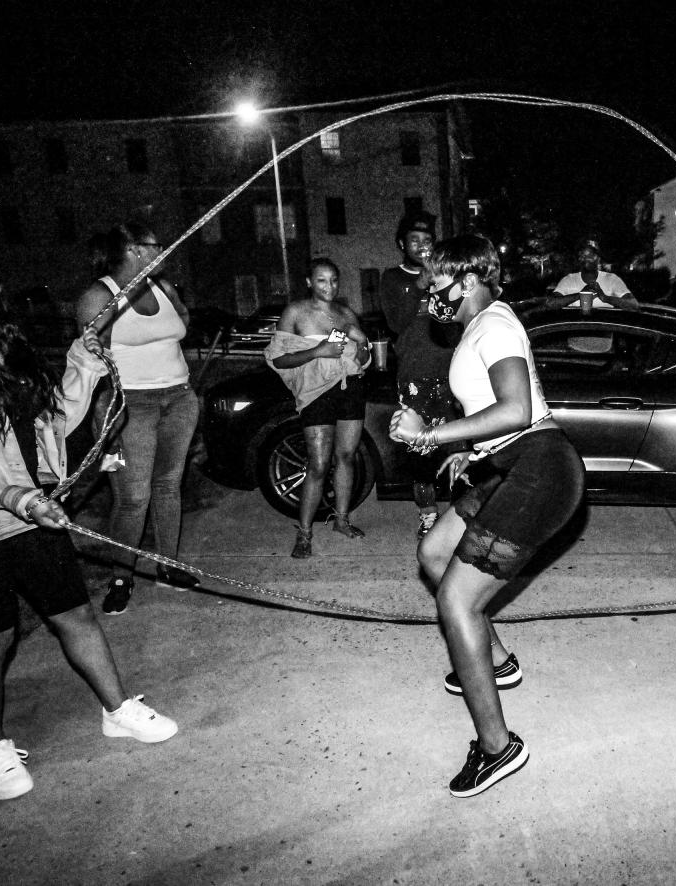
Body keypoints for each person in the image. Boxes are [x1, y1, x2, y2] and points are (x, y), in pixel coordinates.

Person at [0, 236, 178, 801]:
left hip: (29, 514)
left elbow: (51, 425)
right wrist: (14, 496)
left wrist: (82, 368)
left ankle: (117, 710)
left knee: (76, 616)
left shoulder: (4, 346)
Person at [389, 234, 585, 797]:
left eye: (437, 284)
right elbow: (495, 413)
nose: (429, 295)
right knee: (433, 552)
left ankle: (497, 749)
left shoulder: (495, 325)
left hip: (540, 470)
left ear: (469, 280)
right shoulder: (481, 327)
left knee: (456, 601)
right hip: (508, 464)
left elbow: (517, 409)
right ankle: (496, 662)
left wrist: (429, 433)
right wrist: (464, 448)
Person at [76, 223, 201, 616]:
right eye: (156, 245)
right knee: (133, 497)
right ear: (133, 250)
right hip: (131, 405)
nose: (163, 249)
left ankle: (169, 565)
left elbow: (182, 323)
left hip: (179, 397)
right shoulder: (99, 295)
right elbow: (86, 355)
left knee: (168, 486)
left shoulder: (163, 287)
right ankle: (121, 577)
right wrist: (103, 419)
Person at [265, 258, 371, 557]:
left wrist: (363, 345)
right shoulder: (296, 312)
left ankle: (341, 520)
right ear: (310, 282)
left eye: (334, 280)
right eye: (322, 280)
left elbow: (362, 361)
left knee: (347, 456)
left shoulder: (346, 313)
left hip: (350, 390)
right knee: (319, 464)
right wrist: (318, 350)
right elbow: (278, 359)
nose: (330, 286)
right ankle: (304, 533)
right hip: (316, 394)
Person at [378, 211, 458, 538]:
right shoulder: (393, 279)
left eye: (427, 241)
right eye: (415, 240)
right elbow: (396, 323)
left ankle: (458, 517)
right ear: (402, 244)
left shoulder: (446, 276)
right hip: (415, 376)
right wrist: (420, 284)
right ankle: (427, 517)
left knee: (456, 446)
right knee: (420, 450)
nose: (422, 246)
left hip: (452, 374)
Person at [545, 239, 640, 313]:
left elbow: (634, 305)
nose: (586, 258)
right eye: (582, 255)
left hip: (604, 335)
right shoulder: (569, 280)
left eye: (590, 255)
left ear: (598, 258)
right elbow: (550, 304)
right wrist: (580, 295)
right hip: (575, 334)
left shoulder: (612, 279)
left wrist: (605, 298)